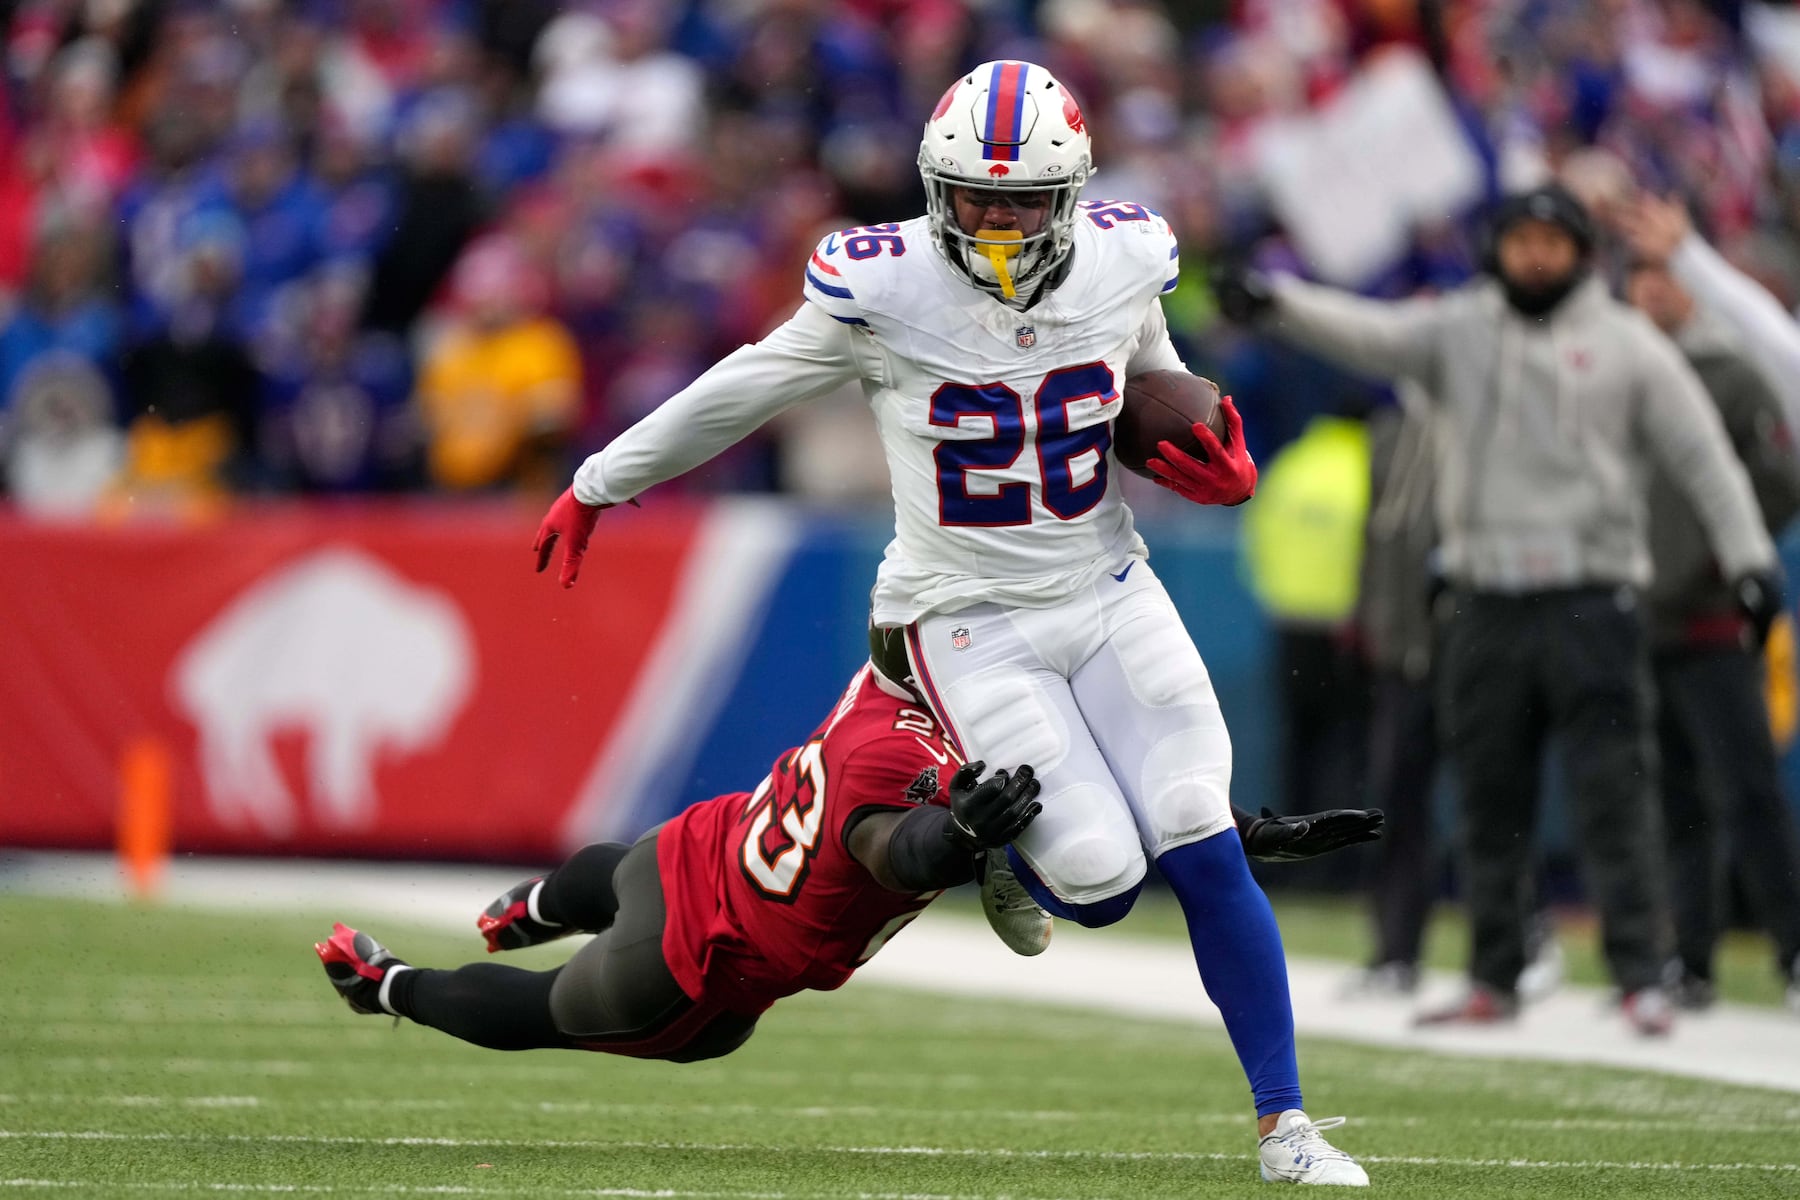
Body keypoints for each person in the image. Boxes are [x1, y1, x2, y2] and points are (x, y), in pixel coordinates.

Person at [529, 60, 1369, 1185]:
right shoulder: (884, 286)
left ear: (1069, 195)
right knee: (1103, 883)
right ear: (937, 188)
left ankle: (1286, 1125)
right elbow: (745, 385)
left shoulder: (1126, 259)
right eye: (976, 198)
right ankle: (1007, 856)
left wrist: (1212, 451)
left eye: (1022, 203)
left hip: (1107, 585)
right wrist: (600, 481)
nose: (998, 224)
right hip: (965, 615)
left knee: (1198, 832)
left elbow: (1157, 379)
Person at [1215, 183, 1782, 1036]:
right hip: (1485, 598)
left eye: (1553, 243)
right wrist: (1277, 303)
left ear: (1581, 253)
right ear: (1498, 249)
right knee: (1489, 797)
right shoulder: (1462, 331)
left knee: (1614, 793)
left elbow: (1704, 459)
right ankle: (1494, 975)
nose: (1537, 257)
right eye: (1523, 241)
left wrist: (1750, 561)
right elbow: (1371, 334)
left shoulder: (1626, 343)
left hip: (1594, 595)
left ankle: (1640, 975)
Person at [317, 662, 1384, 1062]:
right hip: (706, 961)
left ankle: (536, 904)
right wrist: (961, 836)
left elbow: (1111, 798)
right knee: (554, 1014)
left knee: (624, 866)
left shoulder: (918, 684)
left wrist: (1242, 832)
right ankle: (390, 985)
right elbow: (894, 847)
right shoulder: (917, 756)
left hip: (708, 840)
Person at [1622, 256, 1800, 1013]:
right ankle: (1689, 961)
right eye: (1641, 278)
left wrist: (1719, 556)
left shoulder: (1730, 374)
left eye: (1666, 275)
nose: (1653, 290)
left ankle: (1793, 951)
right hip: (1640, 618)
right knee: (1673, 802)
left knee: (1748, 791)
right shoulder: (1619, 371)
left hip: (1712, 619)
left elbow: (1780, 481)